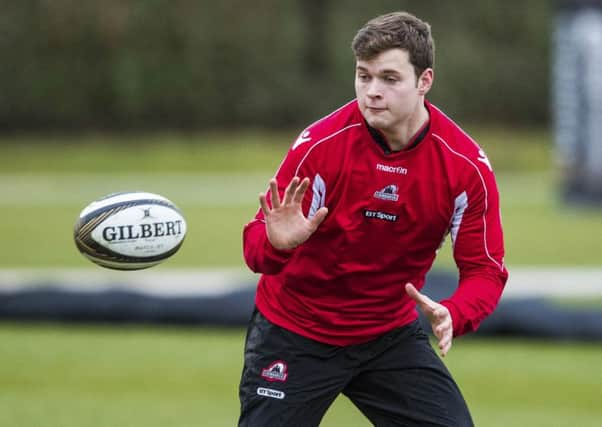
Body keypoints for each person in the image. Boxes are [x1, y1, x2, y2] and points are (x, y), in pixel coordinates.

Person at [238, 11, 508, 427]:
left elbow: (485, 270)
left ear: (425, 81)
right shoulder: (323, 146)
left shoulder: (464, 167)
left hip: (388, 335)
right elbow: (258, 246)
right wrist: (277, 244)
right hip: (296, 330)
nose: (372, 93)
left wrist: (457, 311)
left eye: (389, 78)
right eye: (363, 76)